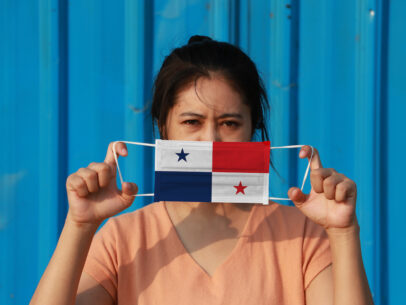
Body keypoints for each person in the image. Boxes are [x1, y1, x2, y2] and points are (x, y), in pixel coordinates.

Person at [30, 36, 374, 305]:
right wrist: (80, 226)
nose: (210, 139)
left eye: (229, 123)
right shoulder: (123, 239)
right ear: (163, 127)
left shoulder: (302, 237)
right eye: (192, 122)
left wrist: (344, 233)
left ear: (253, 128)